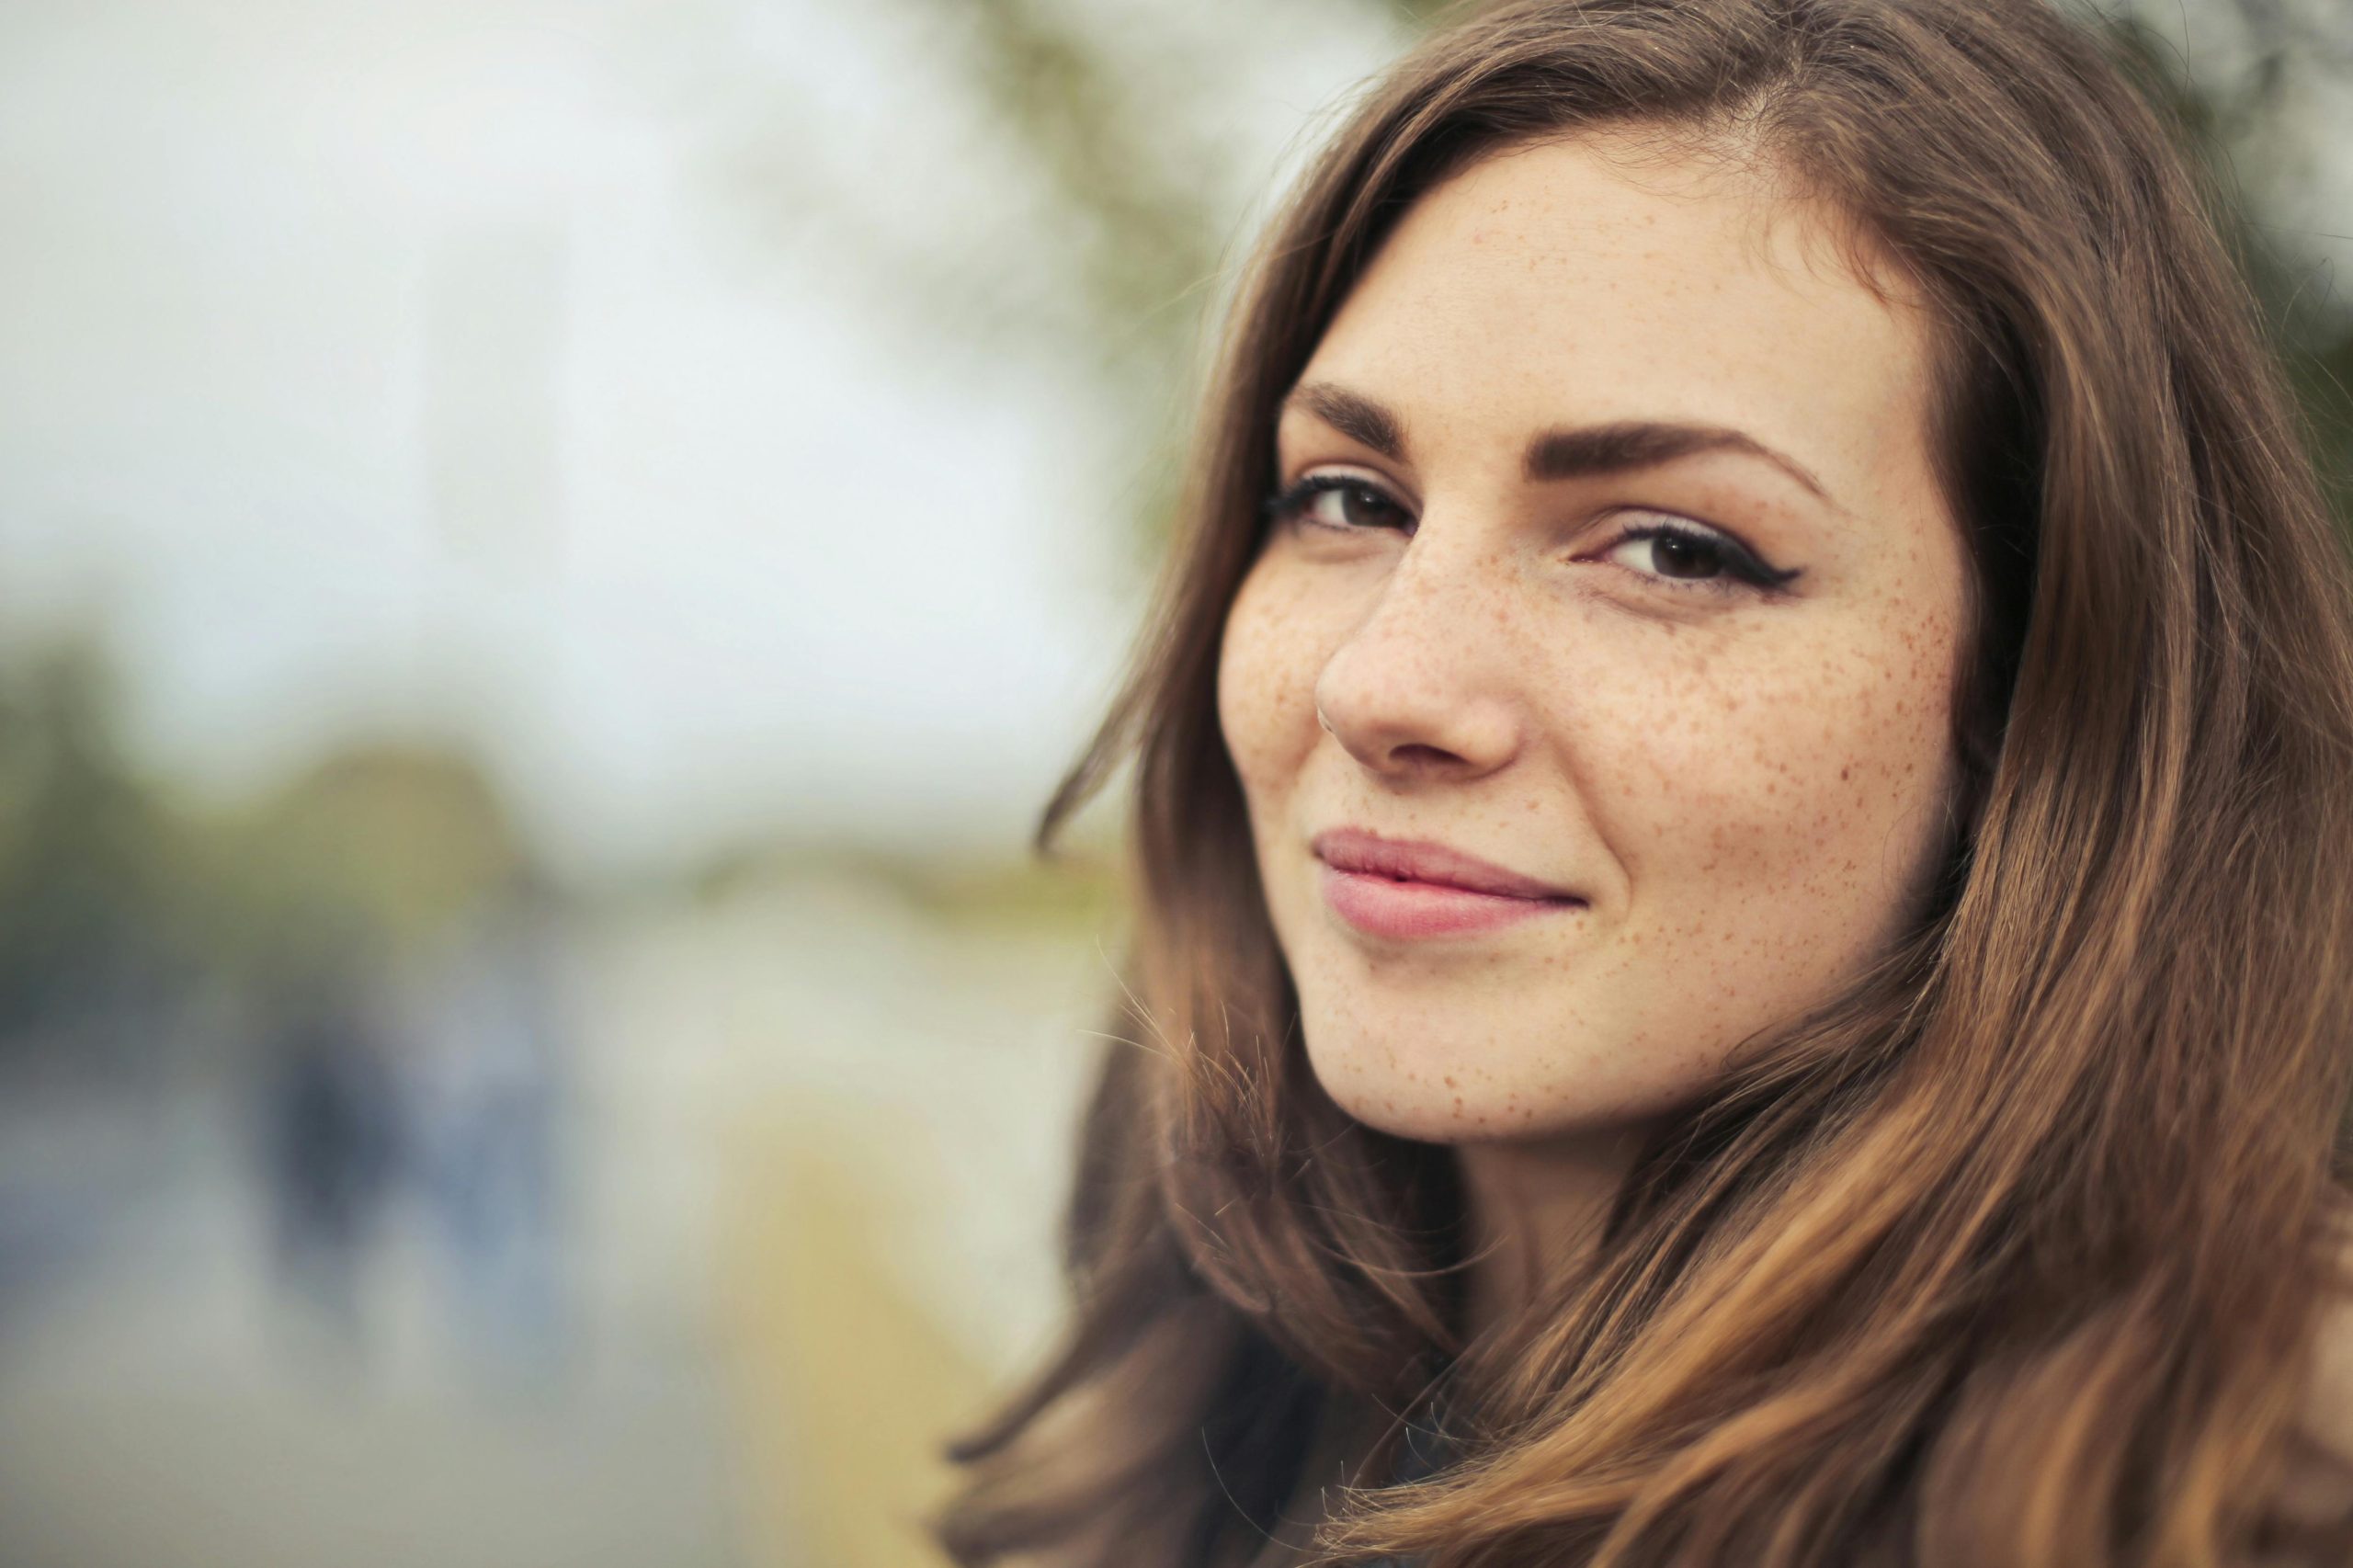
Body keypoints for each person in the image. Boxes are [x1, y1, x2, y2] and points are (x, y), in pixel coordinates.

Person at [935, 2, 2353, 1563]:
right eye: (1349, 498)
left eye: (1673, 548)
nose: (1383, 684)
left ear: (2040, 706)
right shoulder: (1205, 1427)